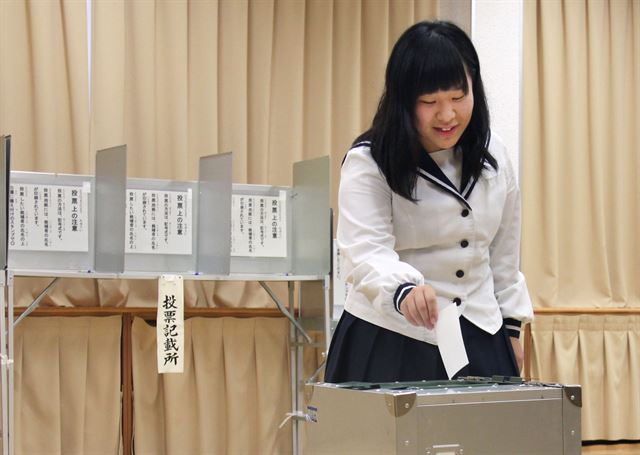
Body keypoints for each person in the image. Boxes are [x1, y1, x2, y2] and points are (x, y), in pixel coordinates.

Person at [325, 20, 533, 383]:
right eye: (429, 102)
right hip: (394, 335)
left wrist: (511, 327)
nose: (448, 115)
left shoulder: (494, 154)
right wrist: (403, 290)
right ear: (404, 101)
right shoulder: (370, 160)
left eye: (457, 97)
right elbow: (365, 251)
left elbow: (504, 252)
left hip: (480, 334)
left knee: (490, 438)